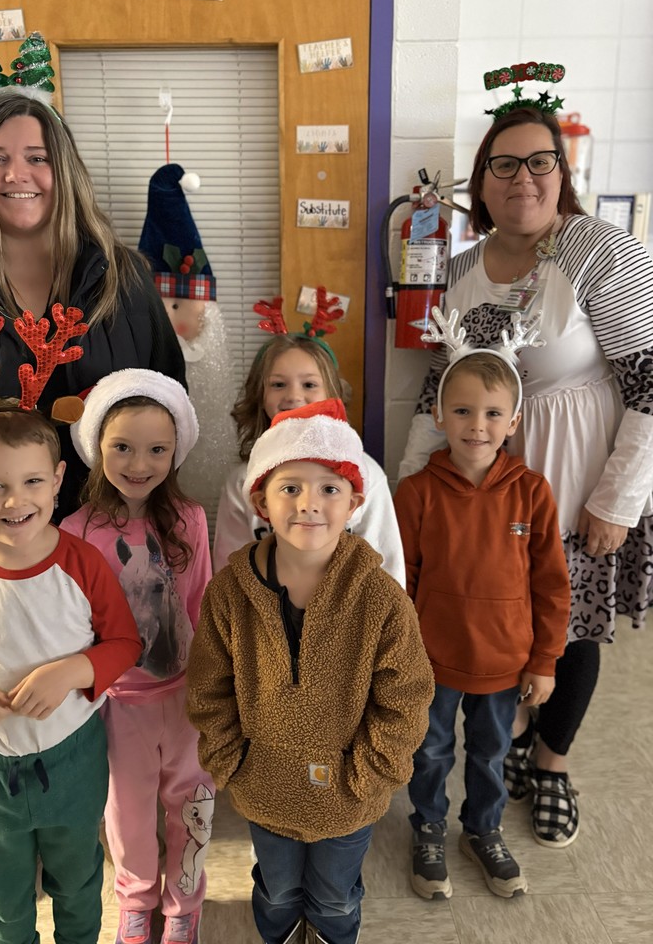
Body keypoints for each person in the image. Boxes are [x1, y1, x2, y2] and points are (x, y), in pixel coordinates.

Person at [399, 105, 653, 848]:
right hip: (485, 478)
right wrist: (410, 484)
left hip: (578, 474)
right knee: (496, 608)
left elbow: (649, 380)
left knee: (568, 624)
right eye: (503, 165)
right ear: (480, 183)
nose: (522, 179)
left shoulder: (600, 251)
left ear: (562, 171)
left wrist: (618, 499)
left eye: (539, 161)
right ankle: (504, 736)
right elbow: (437, 388)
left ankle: (551, 762)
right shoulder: (458, 270)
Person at [0, 88, 185, 600]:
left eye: (37, 158)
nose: (15, 174)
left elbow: (168, 399)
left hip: (105, 553)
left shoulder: (124, 277)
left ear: (62, 169)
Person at [188, 399, 434, 944]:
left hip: (349, 795)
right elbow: (209, 688)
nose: (309, 504)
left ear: (353, 502)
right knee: (276, 891)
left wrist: (370, 776)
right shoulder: (229, 594)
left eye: (329, 488)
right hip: (265, 790)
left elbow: (407, 697)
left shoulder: (381, 599)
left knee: (334, 895)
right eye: (290, 487)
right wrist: (232, 763)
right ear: (261, 501)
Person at [0, 406, 142, 944]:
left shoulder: (83, 564)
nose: (16, 501)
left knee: (79, 884)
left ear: (58, 480)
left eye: (33, 481)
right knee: (4, 902)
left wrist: (73, 670)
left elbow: (125, 643)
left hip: (73, 761)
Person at [394, 326, 571, 900]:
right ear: (440, 415)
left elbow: (550, 584)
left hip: (505, 662)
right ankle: (427, 829)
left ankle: (484, 830)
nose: (478, 424)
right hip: (434, 661)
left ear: (514, 422)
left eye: (494, 413)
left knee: (492, 753)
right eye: (463, 410)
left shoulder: (533, 492)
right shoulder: (417, 493)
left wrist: (544, 660)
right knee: (432, 752)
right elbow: (402, 582)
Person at [62, 368, 214, 944]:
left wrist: (211, 691)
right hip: (116, 704)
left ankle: (184, 907)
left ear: (176, 451)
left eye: (157, 449)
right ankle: (135, 900)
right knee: (125, 818)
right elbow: (75, 626)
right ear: (97, 446)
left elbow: (200, 603)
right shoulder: (77, 531)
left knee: (192, 807)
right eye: (122, 447)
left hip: (184, 702)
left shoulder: (189, 521)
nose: (139, 462)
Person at [213, 327, 405, 584]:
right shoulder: (242, 482)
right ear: (260, 396)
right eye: (278, 384)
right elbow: (230, 574)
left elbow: (388, 571)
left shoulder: (366, 473)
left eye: (309, 384)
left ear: (332, 393)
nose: (293, 396)